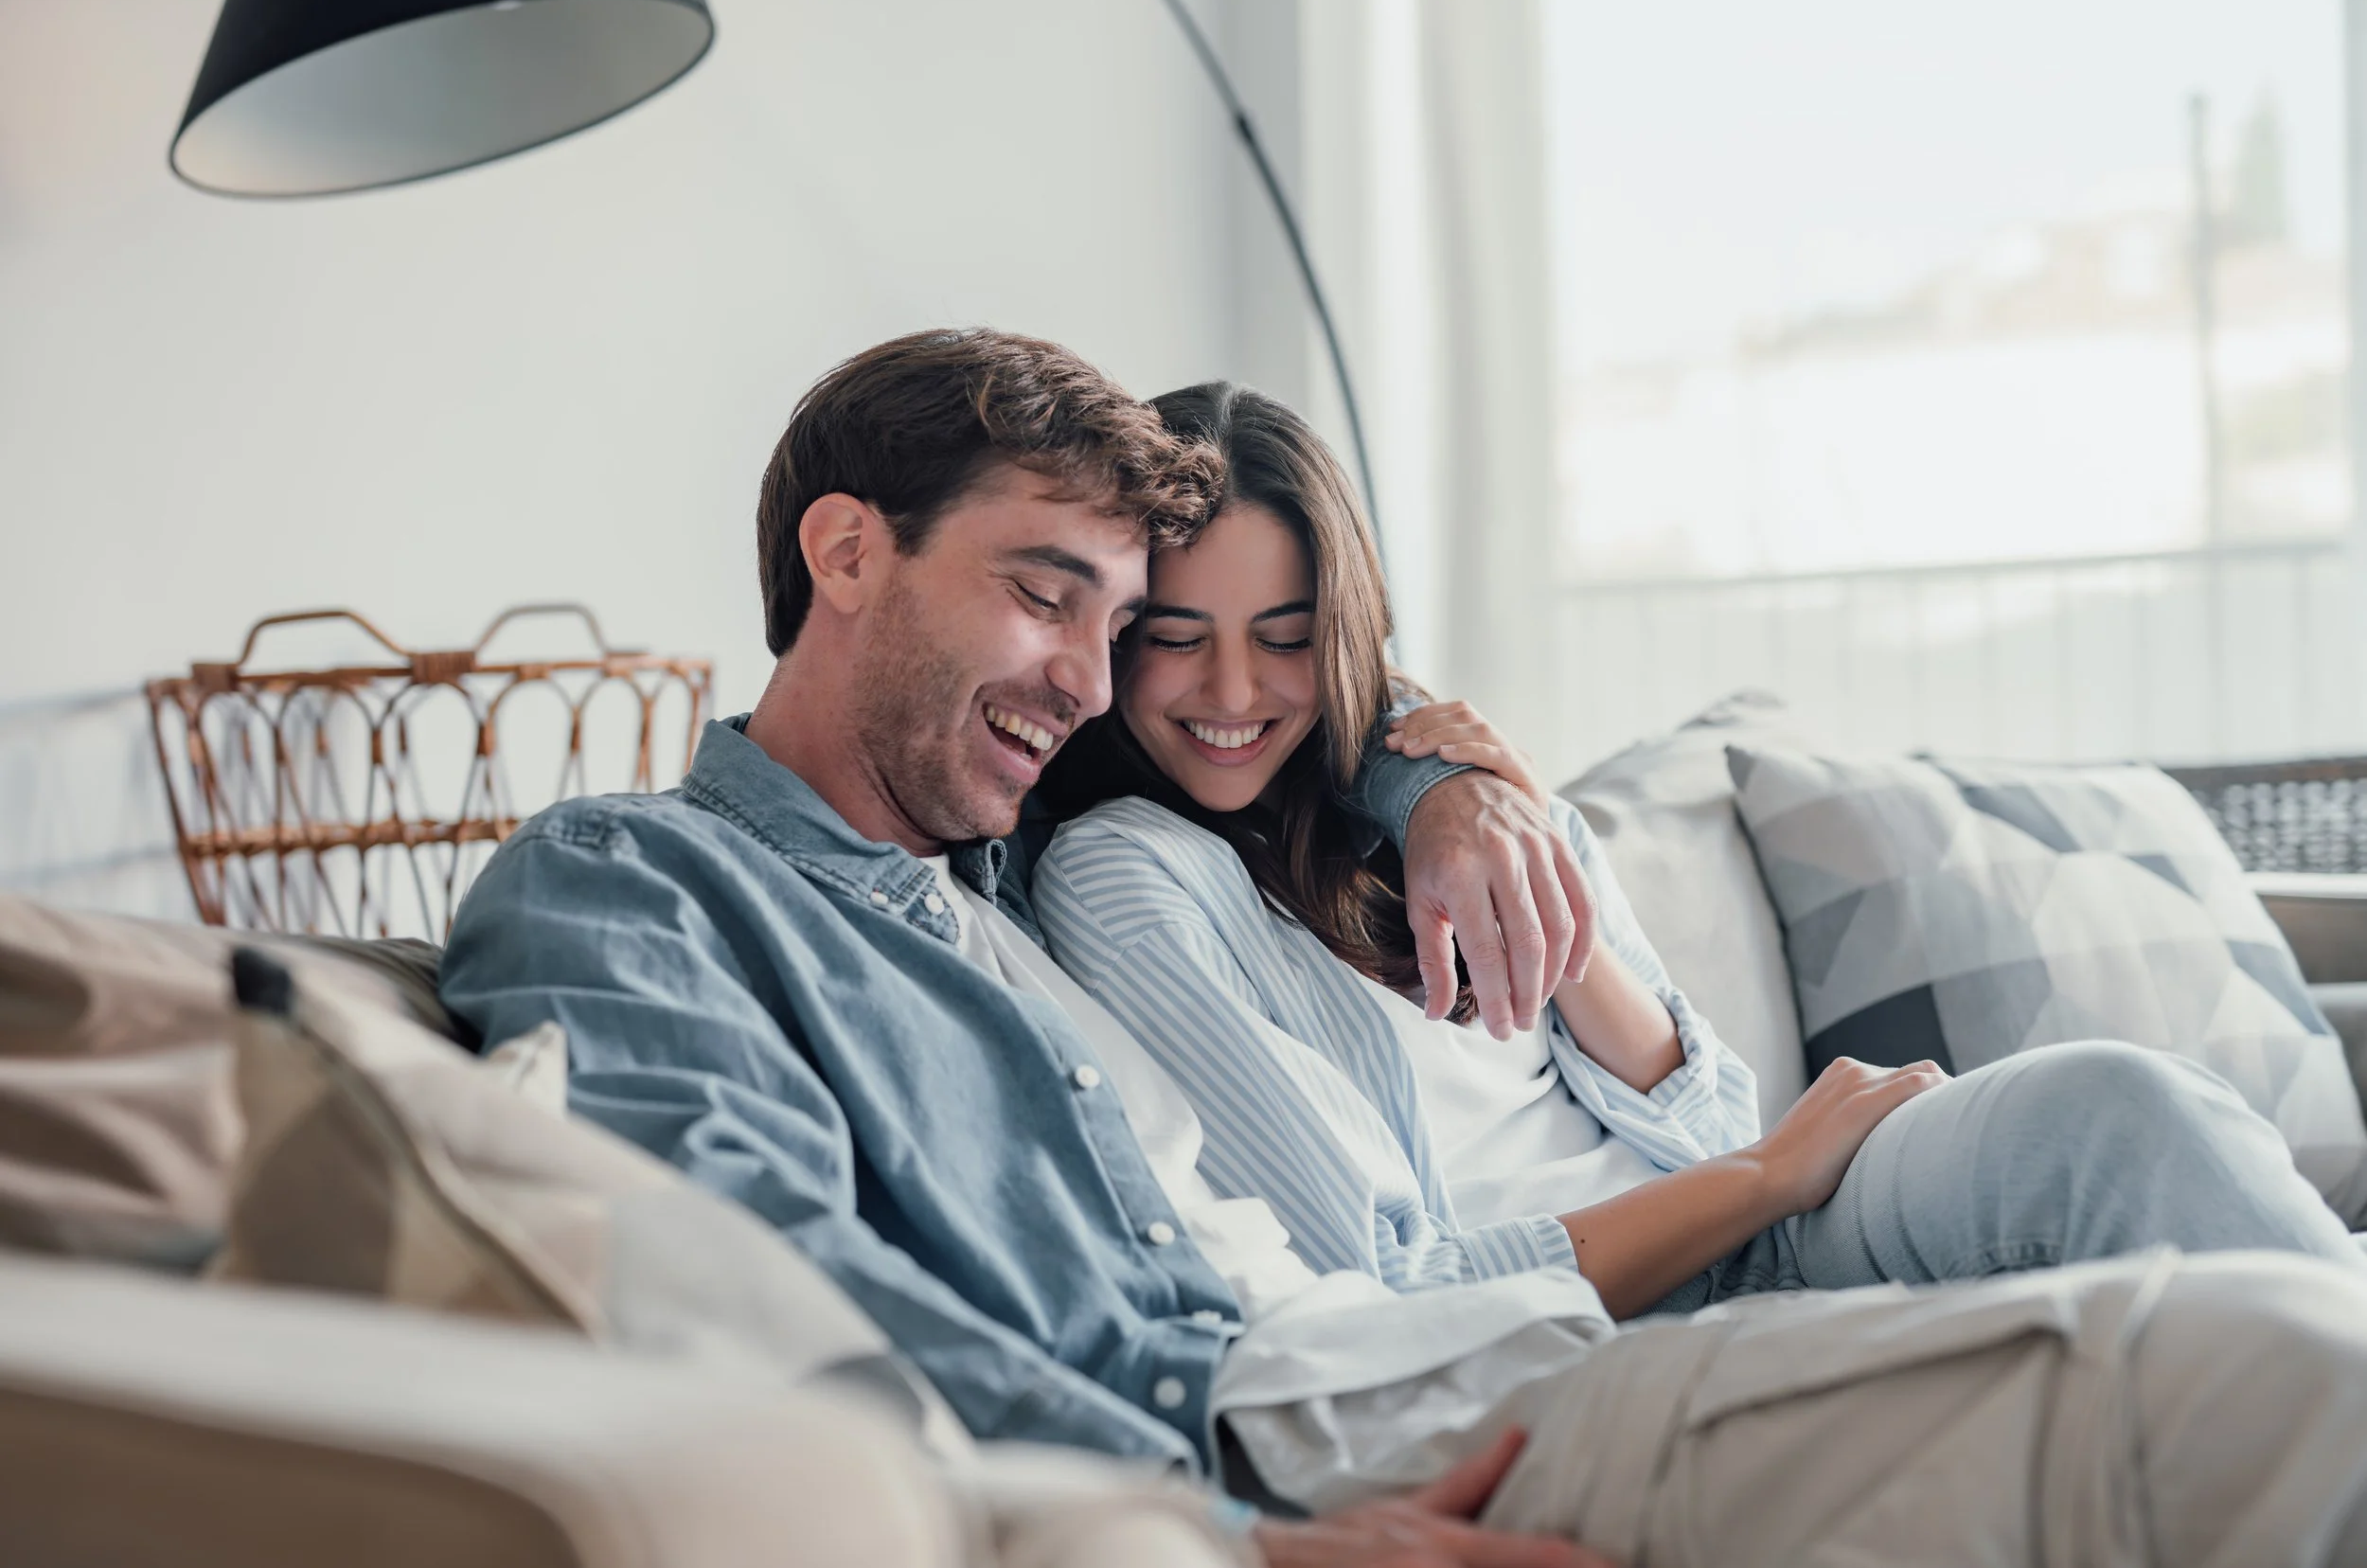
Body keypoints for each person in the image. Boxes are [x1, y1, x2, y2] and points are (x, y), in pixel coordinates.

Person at [440, 328, 2367, 1566]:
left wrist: (1430, 774)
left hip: (1380, 1364)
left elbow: (1276, 724)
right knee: (2268, 1368)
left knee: (2178, 1213)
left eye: (1114, 617)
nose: (1097, 678)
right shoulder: (634, 883)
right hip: (1332, 1416)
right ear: (845, 554)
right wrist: (1215, 1536)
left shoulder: (979, 869)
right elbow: (748, 1282)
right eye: (1053, 596)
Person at [1025, 380, 2367, 1321]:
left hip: (1765, 1226)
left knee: (2127, 1107)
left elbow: (1709, 1110)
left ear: (1345, 632)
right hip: (1634, 1296)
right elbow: (1388, 1280)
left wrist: (1509, 853)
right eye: (1174, 636)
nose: (1233, 692)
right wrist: (1768, 1175)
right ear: (1114, 631)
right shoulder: (1131, 876)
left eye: (1286, 635)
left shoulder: (1431, 790)